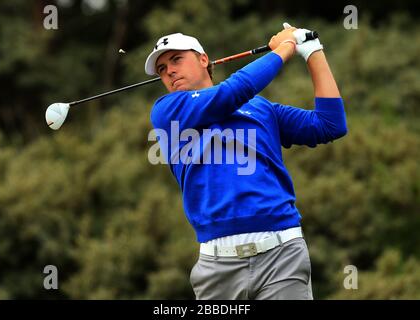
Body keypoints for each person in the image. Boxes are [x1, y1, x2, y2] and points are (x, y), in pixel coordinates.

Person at [145, 23, 347, 300]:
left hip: (282, 256)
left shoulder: (261, 108)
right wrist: (287, 47)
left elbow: (330, 124)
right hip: (216, 269)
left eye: (176, 59)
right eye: (161, 69)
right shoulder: (167, 112)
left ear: (204, 60)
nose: (169, 71)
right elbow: (229, 93)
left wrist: (311, 50)